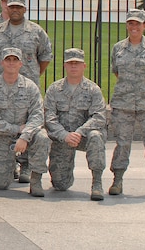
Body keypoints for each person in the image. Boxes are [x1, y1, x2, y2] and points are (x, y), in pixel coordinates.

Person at [108, 9, 145, 198]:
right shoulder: (118, 48)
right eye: (131, 23)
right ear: (127, 25)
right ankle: (117, 179)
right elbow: (117, 72)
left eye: (138, 23)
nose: (134, 27)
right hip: (123, 103)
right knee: (122, 142)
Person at [0, 47, 50, 197]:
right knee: (0, 184)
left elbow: (37, 115)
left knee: (42, 137)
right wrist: (16, 129)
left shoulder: (30, 87)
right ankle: (10, 165)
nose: (11, 63)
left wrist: (24, 136)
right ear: (2, 63)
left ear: (21, 64)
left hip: (25, 137)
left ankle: (35, 178)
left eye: (15, 60)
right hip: (1, 138)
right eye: (8, 60)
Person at [44, 48, 107, 201]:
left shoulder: (93, 89)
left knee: (96, 136)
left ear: (84, 66)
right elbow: (49, 116)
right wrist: (64, 135)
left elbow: (99, 117)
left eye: (77, 63)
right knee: (60, 185)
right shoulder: (54, 89)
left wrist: (79, 132)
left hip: (84, 137)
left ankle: (97, 182)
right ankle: (64, 175)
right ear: (65, 66)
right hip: (62, 138)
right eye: (70, 63)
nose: (73, 66)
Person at [0, 0, 52, 85]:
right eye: (12, 7)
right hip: (1, 85)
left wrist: (33, 72)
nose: (15, 10)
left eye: (19, 7)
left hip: (28, 84)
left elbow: (46, 56)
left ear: (24, 10)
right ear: (7, 9)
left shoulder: (36, 31)